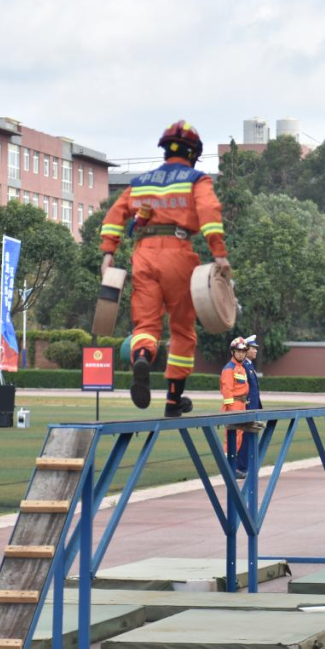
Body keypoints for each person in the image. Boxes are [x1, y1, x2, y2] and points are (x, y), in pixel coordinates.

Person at [100, 120, 231, 418]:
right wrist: (219, 253)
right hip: (178, 252)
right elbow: (209, 213)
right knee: (182, 329)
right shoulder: (197, 180)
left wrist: (108, 252)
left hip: (143, 254)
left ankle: (142, 356)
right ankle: (173, 400)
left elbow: (114, 215)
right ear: (194, 153)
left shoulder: (141, 182)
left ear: (165, 151)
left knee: (146, 325)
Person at [220, 337, 250, 478]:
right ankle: (228, 468)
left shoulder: (241, 368)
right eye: (238, 351)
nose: (241, 354)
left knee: (238, 438)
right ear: (233, 352)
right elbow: (227, 392)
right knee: (231, 438)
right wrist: (232, 412)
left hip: (241, 405)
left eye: (243, 351)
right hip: (234, 406)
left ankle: (233, 467)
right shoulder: (229, 369)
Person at [243, 335, 262, 410]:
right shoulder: (244, 365)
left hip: (254, 404)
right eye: (253, 348)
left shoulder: (249, 364)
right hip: (249, 405)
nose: (256, 351)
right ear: (246, 350)